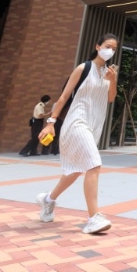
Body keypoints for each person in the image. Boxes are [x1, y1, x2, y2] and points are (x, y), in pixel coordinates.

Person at [34, 33, 119, 235]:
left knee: (74, 171)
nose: (110, 51)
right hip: (76, 122)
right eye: (107, 46)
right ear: (97, 46)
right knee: (94, 164)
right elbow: (64, 97)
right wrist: (51, 123)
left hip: (93, 125)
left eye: (114, 49)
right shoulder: (84, 68)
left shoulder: (108, 73)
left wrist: (113, 80)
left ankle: (48, 199)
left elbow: (110, 98)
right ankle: (93, 217)